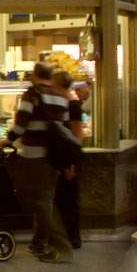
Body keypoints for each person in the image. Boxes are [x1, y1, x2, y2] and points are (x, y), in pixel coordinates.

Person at [0, 61, 74, 263]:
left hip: (34, 156)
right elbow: (65, 126)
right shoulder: (60, 95)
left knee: (38, 201)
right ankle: (39, 243)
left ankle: (61, 246)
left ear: (34, 76)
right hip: (54, 157)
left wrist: (7, 140)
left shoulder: (32, 94)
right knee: (45, 199)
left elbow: (21, 122)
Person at [52, 70, 84, 249]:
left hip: (70, 158)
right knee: (63, 199)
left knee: (69, 200)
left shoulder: (72, 106)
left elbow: (77, 136)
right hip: (65, 157)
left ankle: (73, 238)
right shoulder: (64, 104)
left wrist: (72, 163)